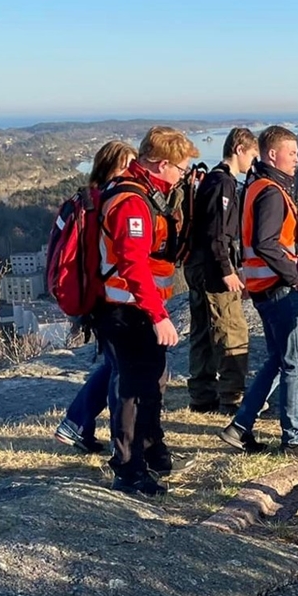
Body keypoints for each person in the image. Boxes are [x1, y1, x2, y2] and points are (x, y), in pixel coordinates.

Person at [95, 126, 201, 496]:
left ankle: (151, 452)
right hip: (127, 309)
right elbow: (133, 264)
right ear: (159, 164)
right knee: (134, 389)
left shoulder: (143, 193)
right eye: (179, 167)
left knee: (151, 382)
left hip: (135, 307)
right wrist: (158, 315)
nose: (183, 174)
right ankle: (129, 470)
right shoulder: (132, 203)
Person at [219, 125, 298, 457]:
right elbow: (266, 243)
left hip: (264, 288)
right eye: (292, 152)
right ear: (272, 154)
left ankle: (240, 427)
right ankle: (293, 439)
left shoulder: (257, 186)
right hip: (279, 288)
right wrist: (295, 275)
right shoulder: (271, 191)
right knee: (295, 362)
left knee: (278, 360)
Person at [54, 140, 137, 454]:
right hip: (106, 296)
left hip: (92, 294)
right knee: (120, 371)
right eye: (130, 165)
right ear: (116, 167)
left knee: (113, 365)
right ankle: (118, 444)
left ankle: (77, 424)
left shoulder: (86, 200)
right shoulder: (108, 202)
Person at [183, 127, 257, 415]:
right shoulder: (224, 183)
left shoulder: (210, 180)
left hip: (198, 266)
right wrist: (228, 269)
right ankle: (232, 398)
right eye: (252, 155)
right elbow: (218, 233)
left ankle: (202, 395)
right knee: (231, 331)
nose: (252, 163)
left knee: (201, 332)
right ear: (239, 149)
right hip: (214, 270)